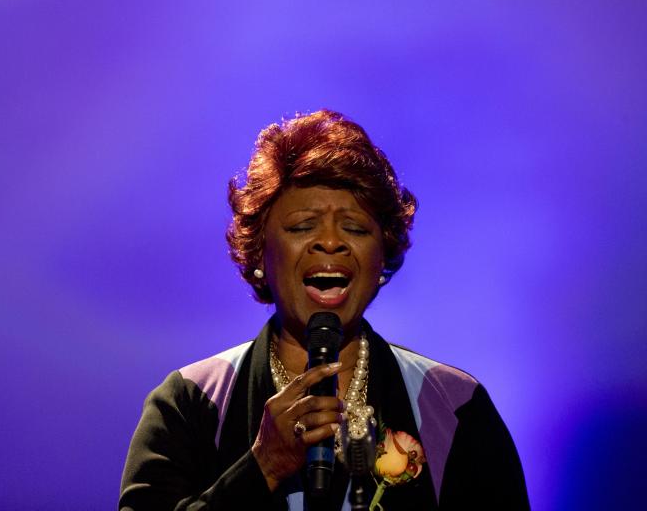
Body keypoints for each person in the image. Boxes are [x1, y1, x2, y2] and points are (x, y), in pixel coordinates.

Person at [120, 110, 529, 510]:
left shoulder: (452, 405)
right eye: (302, 226)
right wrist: (263, 466)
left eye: (355, 228)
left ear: (381, 256)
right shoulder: (191, 402)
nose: (330, 242)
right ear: (259, 251)